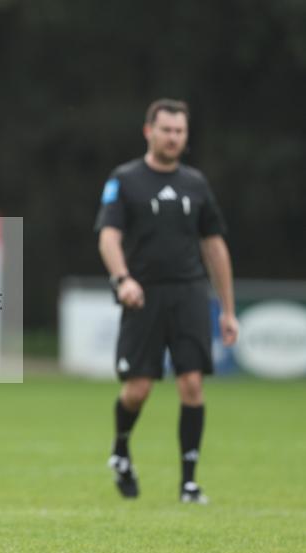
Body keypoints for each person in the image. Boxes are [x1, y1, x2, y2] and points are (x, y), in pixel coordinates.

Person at [95, 99, 239, 504]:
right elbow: (108, 235)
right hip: (142, 295)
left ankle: (189, 482)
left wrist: (227, 309)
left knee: (192, 383)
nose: (173, 137)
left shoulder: (196, 184)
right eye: (166, 130)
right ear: (149, 131)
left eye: (180, 131)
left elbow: (214, 245)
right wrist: (123, 279)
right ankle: (121, 449)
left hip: (190, 293)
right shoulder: (124, 179)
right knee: (138, 389)